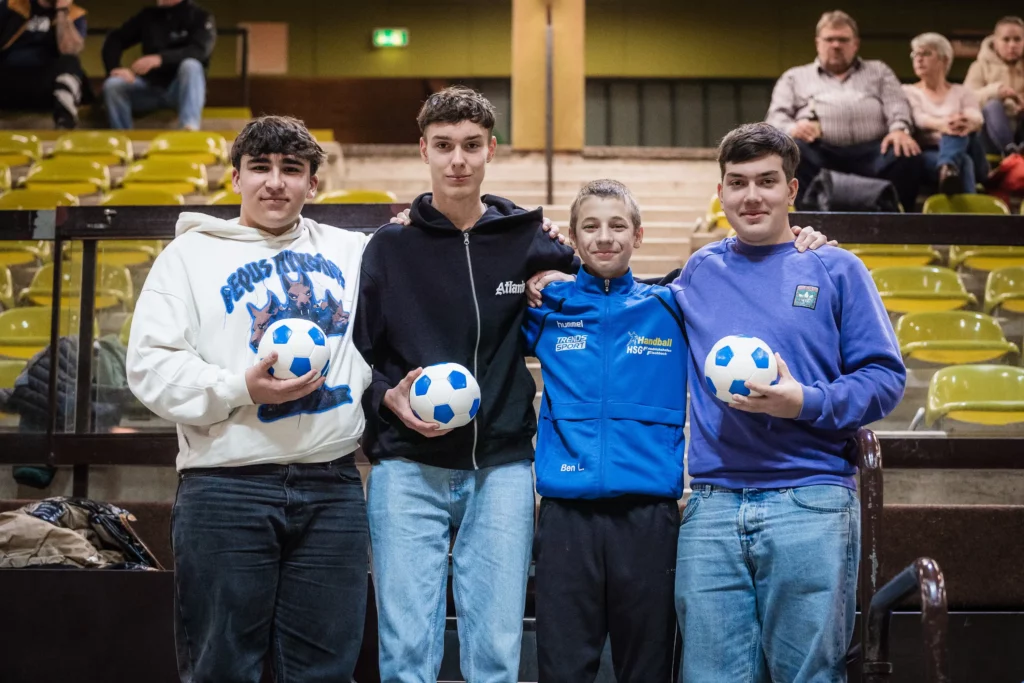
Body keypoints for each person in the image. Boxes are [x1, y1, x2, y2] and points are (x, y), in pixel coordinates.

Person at [126, 115, 370, 683]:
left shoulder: (353, 251)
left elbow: (432, 239)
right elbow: (150, 366)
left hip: (331, 486)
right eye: (260, 168)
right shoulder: (187, 257)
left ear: (313, 184)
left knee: (325, 671)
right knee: (223, 667)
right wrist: (240, 388)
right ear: (235, 177)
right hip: (225, 487)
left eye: (292, 169)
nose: (275, 182)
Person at [353, 86, 578, 683]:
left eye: (472, 146)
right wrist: (387, 398)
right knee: (406, 652)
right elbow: (361, 355)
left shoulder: (527, 237)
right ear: (423, 149)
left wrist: (560, 265)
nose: (458, 160)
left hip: (501, 467)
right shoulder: (390, 246)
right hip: (406, 468)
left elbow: (596, 286)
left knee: (496, 652)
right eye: (445, 145)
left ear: (491, 150)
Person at [672, 123, 905, 683]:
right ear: (721, 192)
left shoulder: (836, 268)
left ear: (792, 190)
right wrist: (547, 265)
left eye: (767, 181)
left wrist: (804, 401)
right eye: (737, 183)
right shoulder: (699, 271)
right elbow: (619, 292)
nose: (751, 196)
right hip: (713, 503)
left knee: (809, 674)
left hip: (810, 499)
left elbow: (885, 378)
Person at [523, 179, 686, 683]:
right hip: (566, 517)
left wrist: (804, 236)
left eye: (618, 225)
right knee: (562, 670)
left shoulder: (672, 306)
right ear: (572, 238)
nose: (605, 237)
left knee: (647, 670)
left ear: (638, 235)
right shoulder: (548, 306)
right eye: (590, 226)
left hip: (649, 518)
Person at [766, 10, 923, 211]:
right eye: (829, 39)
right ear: (818, 43)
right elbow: (775, 118)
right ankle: (811, 222)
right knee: (794, 151)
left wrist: (899, 129)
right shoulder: (794, 77)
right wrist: (793, 128)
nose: (836, 45)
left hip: (874, 152)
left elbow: (897, 105)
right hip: (818, 154)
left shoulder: (879, 71)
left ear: (855, 44)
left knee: (906, 152)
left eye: (843, 40)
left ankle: (896, 221)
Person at [101, 0, 215, 130]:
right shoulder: (148, 16)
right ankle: (124, 137)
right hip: (149, 88)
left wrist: (161, 59)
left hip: (179, 91)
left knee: (191, 65)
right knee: (113, 85)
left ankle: (189, 128)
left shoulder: (200, 16)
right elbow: (114, 39)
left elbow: (199, 51)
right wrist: (115, 68)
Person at [903, 32, 987, 194]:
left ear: (944, 60)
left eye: (926, 53)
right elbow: (918, 118)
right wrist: (944, 124)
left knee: (960, 132)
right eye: (915, 54)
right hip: (930, 152)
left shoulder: (963, 92)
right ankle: (949, 168)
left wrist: (961, 123)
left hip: (970, 150)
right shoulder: (908, 92)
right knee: (964, 162)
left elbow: (976, 118)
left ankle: (948, 164)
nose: (918, 59)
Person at [0, 0, 88, 129]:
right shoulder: (12, 5)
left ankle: (64, 124)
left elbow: (69, 50)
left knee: (71, 62)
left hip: (47, 84)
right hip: (9, 78)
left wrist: (62, 11)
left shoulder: (74, 14)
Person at [965, 16, 1024, 155]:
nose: (1012, 45)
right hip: (988, 134)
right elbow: (966, 99)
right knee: (993, 106)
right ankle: (1010, 152)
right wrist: (996, 91)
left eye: (1017, 39)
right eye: (1006, 39)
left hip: (1021, 127)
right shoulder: (979, 66)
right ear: (995, 42)